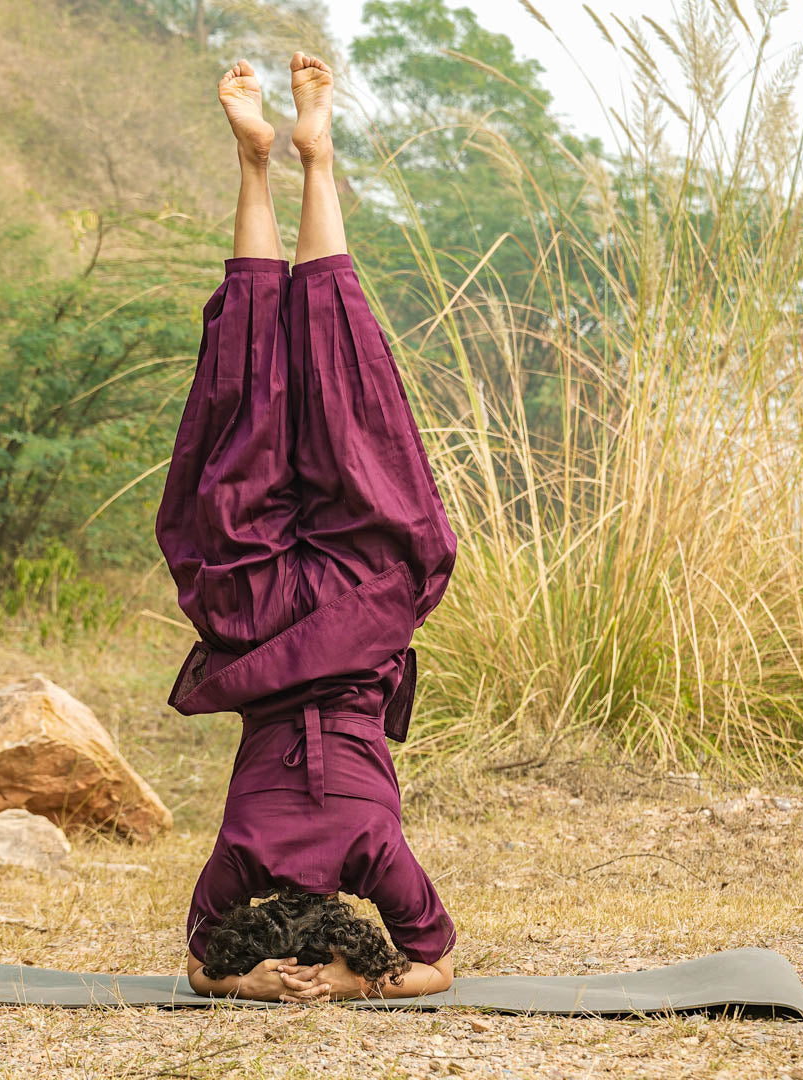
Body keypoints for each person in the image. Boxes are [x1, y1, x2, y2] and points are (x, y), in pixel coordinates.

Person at [155, 51, 458, 1003]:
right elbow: (206, 965)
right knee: (246, 383)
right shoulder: (241, 856)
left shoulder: (377, 857)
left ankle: (313, 161)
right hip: (258, 616)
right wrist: (258, 985)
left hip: (360, 603)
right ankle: (263, 163)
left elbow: (434, 966)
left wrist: (350, 982)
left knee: (342, 377)